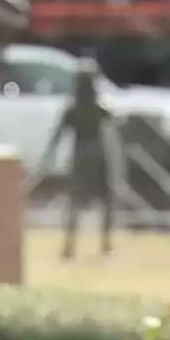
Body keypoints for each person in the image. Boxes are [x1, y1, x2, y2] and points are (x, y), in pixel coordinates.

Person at [38, 56, 123, 261]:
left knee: (78, 202)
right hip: (97, 154)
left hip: (83, 155)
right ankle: (103, 245)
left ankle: (72, 246)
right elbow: (118, 124)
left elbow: (56, 138)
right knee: (102, 201)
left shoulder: (74, 108)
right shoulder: (99, 107)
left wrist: (47, 160)